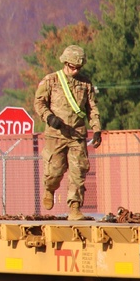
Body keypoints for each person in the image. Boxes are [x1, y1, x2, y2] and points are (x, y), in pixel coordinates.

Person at [33, 44, 102, 221]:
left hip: (77, 135)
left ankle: (75, 208)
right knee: (54, 172)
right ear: (65, 63)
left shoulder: (85, 84)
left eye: (78, 67)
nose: (75, 70)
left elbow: (92, 108)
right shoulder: (51, 81)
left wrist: (96, 129)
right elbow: (39, 103)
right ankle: (49, 188)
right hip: (56, 135)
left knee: (78, 172)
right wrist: (49, 118)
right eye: (72, 67)